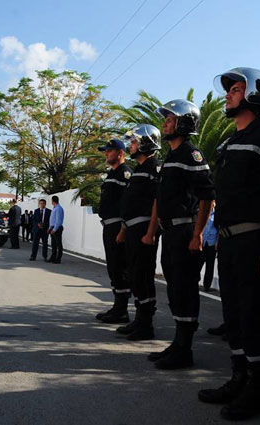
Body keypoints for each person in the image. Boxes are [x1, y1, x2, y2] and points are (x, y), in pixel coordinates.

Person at [198, 68, 260, 421]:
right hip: (230, 242)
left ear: (252, 95)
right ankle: (238, 378)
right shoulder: (229, 142)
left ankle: (257, 390)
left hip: (256, 241)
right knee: (234, 316)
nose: (228, 95)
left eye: (236, 90)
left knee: (255, 316)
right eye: (229, 90)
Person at [143, 99, 214, 370]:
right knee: (173, 288)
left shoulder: (190, 154)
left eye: (170, 119)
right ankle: (177, 342)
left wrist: (198, 234)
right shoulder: (171, 156)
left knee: (184, 289)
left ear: (184, 123)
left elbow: (207, 196)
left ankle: (185, 349)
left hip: (186, 230)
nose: (164, 123)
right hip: (170, 232)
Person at [116, 124, 162, 340]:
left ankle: (146, 325)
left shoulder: (154, 167)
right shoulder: (140, 169)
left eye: (134, 142)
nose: (131, 146)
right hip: (133, 229)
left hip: (144, 229)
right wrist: (124, 230)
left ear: (144, 143)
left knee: (143, 276)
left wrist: (151, 232)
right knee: (135, 275)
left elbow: (157, 201)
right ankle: (139, 320)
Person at [95, 137, 133, 323]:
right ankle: (117, 307)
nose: (106, 154)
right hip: (109, 226)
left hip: (119, 226)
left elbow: (128, 205)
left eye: (109, 151)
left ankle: (122, 310)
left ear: (120, 153)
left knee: (120, 268)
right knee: (113, 268)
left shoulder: (125, 174)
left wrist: (123, 230)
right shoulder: (112, 174)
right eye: (106, 151)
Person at [199, 201, 218, 292]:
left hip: (211, 242)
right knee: (199, 262)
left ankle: (207, 285)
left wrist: (217, 242)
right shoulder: (201, 213)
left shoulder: (216, 215)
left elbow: (219, 229)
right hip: (202, 241)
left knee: (210, 265)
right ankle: (194, 280)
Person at [48, 195, 64, 263]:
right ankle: (53, 257)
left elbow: (58, 220)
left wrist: (54, 229)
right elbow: (52, 219)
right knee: (53, 244)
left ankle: (58, 258)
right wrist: (50, 228)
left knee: (58, 244)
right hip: (52, 227)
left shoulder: (58, 208)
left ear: (53, 201)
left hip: (56, 228)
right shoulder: (55, 208)